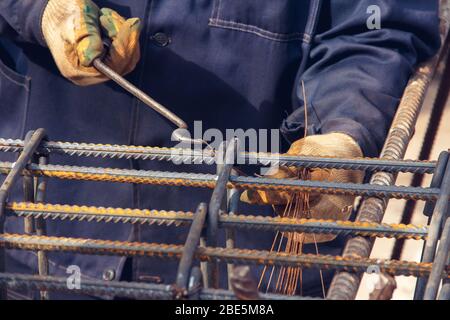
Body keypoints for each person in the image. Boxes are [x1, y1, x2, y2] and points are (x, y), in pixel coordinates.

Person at [0, 0, 440, 299]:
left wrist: (344, 128)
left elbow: (375, 28)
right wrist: (36, 9)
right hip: (44, 238)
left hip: (252, 260)